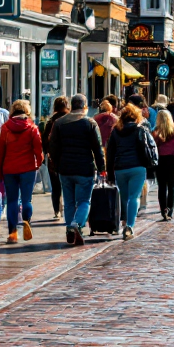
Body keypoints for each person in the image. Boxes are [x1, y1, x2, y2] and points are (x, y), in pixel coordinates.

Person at [47, 94, 106, 246]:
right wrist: (102, 168)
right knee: (84, 201)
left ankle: (69, 229)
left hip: (65, 169)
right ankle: (76, 223)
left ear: (72, 106)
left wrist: (57, 163)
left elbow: (52, 146)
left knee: (69, 202)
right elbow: (97, 148)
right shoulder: (89, 123)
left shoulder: (59, 123)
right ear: (84, 106)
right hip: (84, 167)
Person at [0, 99, 44, 243]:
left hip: (9, 169)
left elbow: (0, 152)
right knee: (27, 199)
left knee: (12, 201)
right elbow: (38, 149)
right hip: (28, 168)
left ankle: (12, 232)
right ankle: (27, 220)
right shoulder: (32, 128)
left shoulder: (5, 128)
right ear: (27, 111)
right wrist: (38, 163)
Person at [107, 104, 157, 240]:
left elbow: (110, 153)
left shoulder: (116, 131)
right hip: (137, 167)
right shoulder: (140, 130)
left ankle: (124, 221)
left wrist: (109, 173)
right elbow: (147, 149)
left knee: (123, 196)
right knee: (134, 197)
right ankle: (129, 225)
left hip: (120, 168)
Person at [153, 110, 174, 221]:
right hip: (172, 160)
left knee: (161, 187)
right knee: (172, 186)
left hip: (160, 160)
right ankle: (170, 209)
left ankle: (163, 209)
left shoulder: (155, 132)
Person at [41, 96, 70, 220]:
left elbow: (44, 139)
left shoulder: (51, 121)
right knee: (68, 186)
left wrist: (46, 153)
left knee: (55, 186)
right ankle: (68, 209)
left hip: (53, 158)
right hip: (68, 156)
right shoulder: (70, 119)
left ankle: (57, 210)